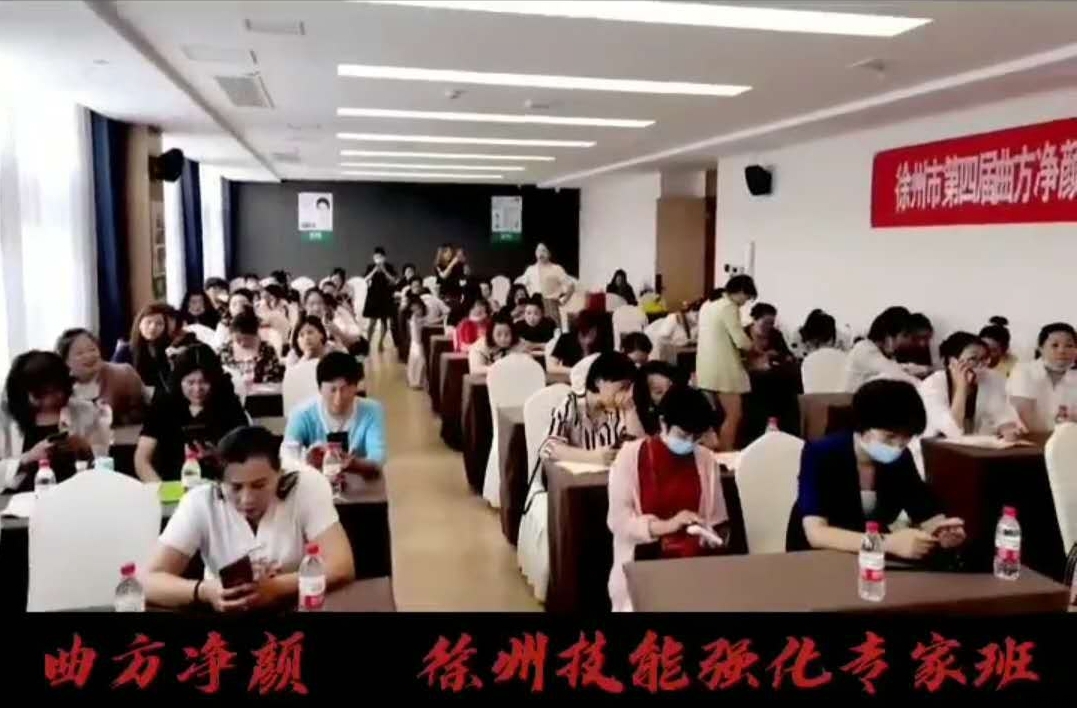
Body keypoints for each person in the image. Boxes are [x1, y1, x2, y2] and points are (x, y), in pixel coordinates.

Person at [143, 426, 355, 612]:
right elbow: (148, 580)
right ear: (219, 482)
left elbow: (341, 565)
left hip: (295, 605)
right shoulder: (200, 501)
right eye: (235, 487)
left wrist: (277, 587)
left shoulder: (305, 487)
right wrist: (205, 591)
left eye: (259, 485)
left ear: (279, 474)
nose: (247, 499)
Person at [786, 379, 966, 558]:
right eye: (890, 437)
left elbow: (923, 507)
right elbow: (817, 534)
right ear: (862, 426)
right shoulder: (821, 453)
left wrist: (942, 530)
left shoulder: (901, 458)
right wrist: (886, 543)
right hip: (817, 557)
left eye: (906, 438)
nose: (898, 445)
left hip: (869, 557)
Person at [607, 386, 729, 611]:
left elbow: (718, 520)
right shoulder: (631, 456)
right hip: (644, 570)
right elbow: (619, 522)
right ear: (663, 423)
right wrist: (668, 526)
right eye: (683, 435)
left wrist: (709, 535)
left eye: (696, 437)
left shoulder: (705, 460)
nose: (690, 442)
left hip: (693, 571)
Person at [134, 345, 249, 483]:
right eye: (190, 382)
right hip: (171, 484)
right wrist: (159, 487)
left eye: (204, 382)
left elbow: (245, 458)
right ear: (179, 381)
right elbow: (142, 459)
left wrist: (217, 456)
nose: (197, 389)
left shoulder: (229, 405)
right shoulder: (163, 405)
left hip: (218, 484)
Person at [0, 351, 112, 492]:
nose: (50, 398)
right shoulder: (5, 418)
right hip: (19, 498)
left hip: (76, 492)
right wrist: (27, 458)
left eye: (54, 391)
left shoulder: (86, 411)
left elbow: (105, 462)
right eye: (40, 394)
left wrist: (85, 447)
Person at [281, 353, 386, 478]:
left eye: (344, 389)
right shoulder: (301, 414)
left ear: (356, 387)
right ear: (320, 389)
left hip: (359, 482)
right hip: (316, 482)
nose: (338, 399)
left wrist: (355, 464)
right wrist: (306, 461)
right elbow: (287, 456)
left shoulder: (372, 410)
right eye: (332, 390)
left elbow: (378, 457)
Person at [919, 332, 1023, 440]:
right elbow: (951, 429)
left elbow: (1002, 414)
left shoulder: (991, 377)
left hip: (974, 444)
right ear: (953, 361)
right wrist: (961, 388)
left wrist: (1008, 428)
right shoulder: (932, 385)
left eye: (984, 358)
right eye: (973, 359)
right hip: (934, 444)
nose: (981, 365)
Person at [696, 275, 757, 451]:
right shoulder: (729, 307)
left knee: (711, 417)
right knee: (733, 415)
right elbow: (740, 341)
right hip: (724, 370)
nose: (744, 303)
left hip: (705, 368)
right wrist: (755, 349)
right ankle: (726, 452)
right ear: (741, 291)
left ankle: (713, 453)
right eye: (747, 297)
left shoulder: (708, 304)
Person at [56, 328, 146, 425]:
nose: (89, 356)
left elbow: (144, 409)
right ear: (66, 361)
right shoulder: (59, 386)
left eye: (92, 349)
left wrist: (119, 421)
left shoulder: (123, 374)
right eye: (80, 353)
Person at [1008, 322, 1077, 432]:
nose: (1062, 351)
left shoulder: (1074, 377)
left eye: (1069, 346)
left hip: (1065, 439)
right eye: (1055, 345)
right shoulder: (1023, 372)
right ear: (1041, 348)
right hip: (1026, 438)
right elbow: (1024, 420)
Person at [842, 306, 920, 392]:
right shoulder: (864, 349)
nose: (906, 341)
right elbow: (896, 373)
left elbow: (899, 368)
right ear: (889, 336)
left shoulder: (879, 353)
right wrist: (926, 387)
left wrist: (924, 369)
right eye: (905, 335)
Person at [113, 302, 173, 391]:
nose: (153, 327)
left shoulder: (166, 350)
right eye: (148, 322)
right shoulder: (125, 351)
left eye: (159, 323)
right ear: (139, 324)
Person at [219, 310, 285, 385]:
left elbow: (277, 376)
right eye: (238, 340)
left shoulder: (267, 350)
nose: (242, 344)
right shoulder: (225, 350)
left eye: (247, 339)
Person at [519, 243, 574, 325]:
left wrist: (563, 301)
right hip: (534, 305)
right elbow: (520, 286)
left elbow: (571, 286)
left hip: (550, 305)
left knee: (553, 329)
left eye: (543, 250)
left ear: (549, 253)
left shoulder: (557, 268)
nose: (540, 253)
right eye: (538, 251)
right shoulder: (530, 270)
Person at [303, 288, 365, 353]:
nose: (316, 308)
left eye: (320, 303)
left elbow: (347, 347)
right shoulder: (302, 328)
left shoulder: (330, 325)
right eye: (311, 304)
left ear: (324, 305)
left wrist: (338, 333)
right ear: (305, 306)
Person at [363, 247, 399, 352]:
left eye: (380, 257)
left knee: (384, 322)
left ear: (384, 257)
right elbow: (365, 280)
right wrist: (374, 270)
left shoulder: (389, 267)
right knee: (372, 322)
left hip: (385, 297)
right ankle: (368, 343)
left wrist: (384, 271)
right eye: (376, 257)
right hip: (373, 297)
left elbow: (394, 280)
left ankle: (380, 343)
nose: (378, 259)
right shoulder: (370, 267)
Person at [744, 302, 793, 371]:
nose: (768, 326)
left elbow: (788, 355)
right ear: (754, 319)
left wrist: (775, 355)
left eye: (771, 323)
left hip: (771, 372)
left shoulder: (775, 334)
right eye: (765, 322)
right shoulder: (743, 334)